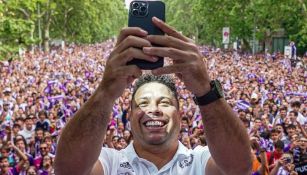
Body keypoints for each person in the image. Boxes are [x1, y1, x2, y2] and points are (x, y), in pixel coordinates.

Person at [54, 17, 251, 175]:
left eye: (164, 102)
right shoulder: (110, 163)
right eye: (143, 103)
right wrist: (105, 92)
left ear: (180, 116)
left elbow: (239, 168)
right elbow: (68, 170)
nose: (153, 109)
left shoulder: (200, 161)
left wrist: (205, 90)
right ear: (129, 117)